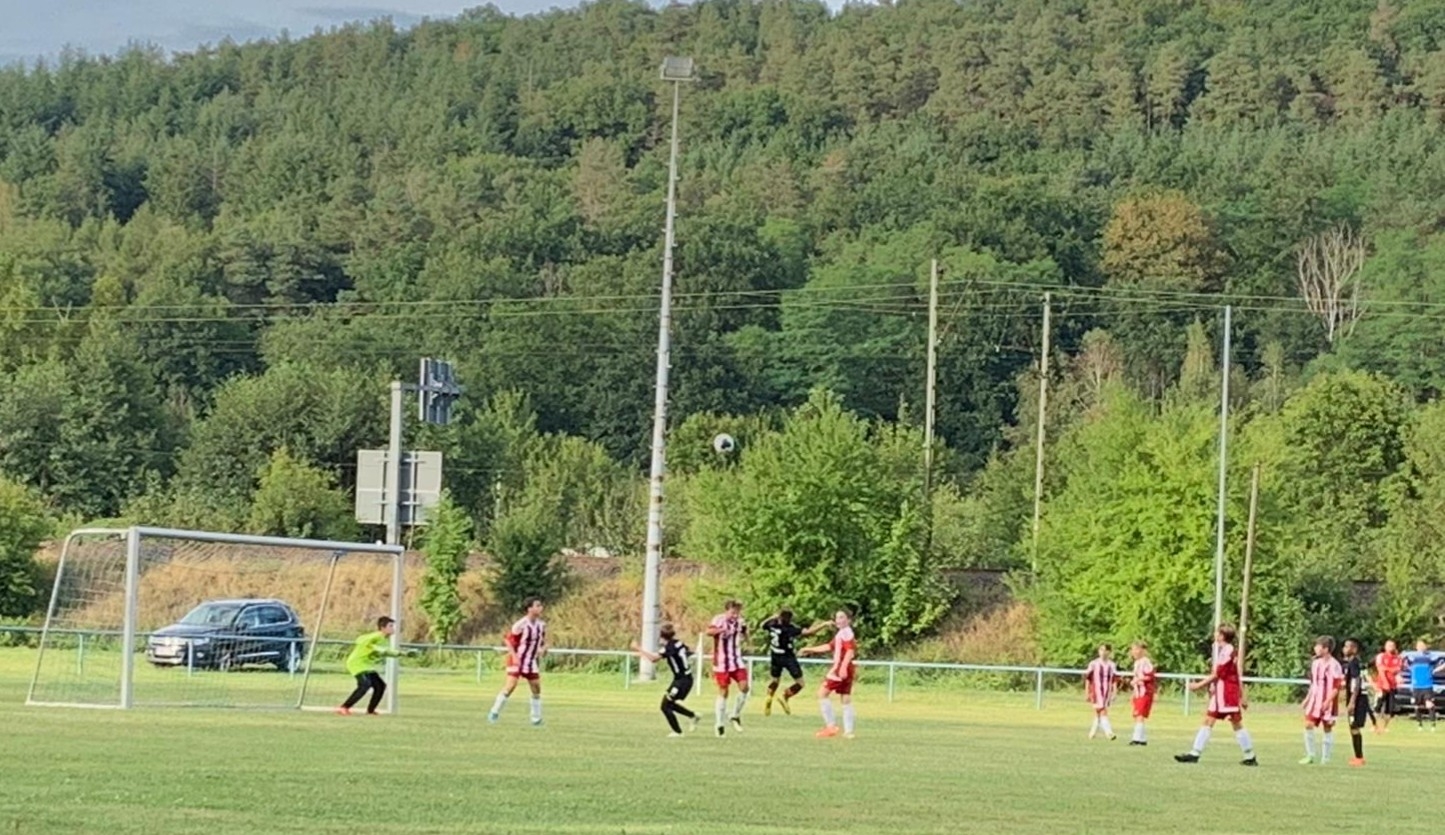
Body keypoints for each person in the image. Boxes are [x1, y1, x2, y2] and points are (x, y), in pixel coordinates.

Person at [1175, 624, 1258, 766]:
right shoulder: (1223, 650)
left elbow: (1218, 674)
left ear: (1222, 635)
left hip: (1227, 694)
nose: (1215, 635)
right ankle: (1195, 753)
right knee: (1209, 720)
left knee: (1236, 722)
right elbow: (1229, 674)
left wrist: (1198, 685)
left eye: (1217, 633)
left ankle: (1249, 755)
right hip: (1221, 693)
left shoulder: (1228, 650)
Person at [631, 623, 699, 737]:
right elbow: (687, 651)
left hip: (682, 681)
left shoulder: (669, 647)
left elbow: (653, 659)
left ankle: (678, 732)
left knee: (665, 706)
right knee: (669, 704)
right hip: (684, 678)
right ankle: (692, 716)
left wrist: (638, 648)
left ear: (661, 636)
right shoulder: (678, 643)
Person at [759, 609, 828, 717]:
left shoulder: (772, 625)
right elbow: (809, 632)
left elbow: (762, 625)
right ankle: (785, 696)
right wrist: (824, 624)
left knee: (775, 681)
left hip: (775, 656)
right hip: (788, 657)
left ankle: (769, 696)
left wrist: (772, 617)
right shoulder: (790, 629)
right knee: (800, 683)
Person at [489, 598, 547, 726]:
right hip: (517, 659)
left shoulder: (541, 625)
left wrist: (543, 649)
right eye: (537, 605)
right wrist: (515, 657)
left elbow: (542, 642)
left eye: (540, 605)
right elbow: (508, 640)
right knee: (510, 686)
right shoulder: (521, 625)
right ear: (529, 609)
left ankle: (536, 719)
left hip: (530, 661)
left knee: (536, 688)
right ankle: (494, 712)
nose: (540, 608)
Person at [801, 609, 857, 739]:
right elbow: (829, 646)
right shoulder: (843, 633)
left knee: (822, 693)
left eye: (842, 617)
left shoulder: (846, 633)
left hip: (840, 668)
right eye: (837, 618)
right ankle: (848, 731)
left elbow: (850, 651)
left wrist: (843, 667)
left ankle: (831, 727)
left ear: (849, 620)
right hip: (847, 667)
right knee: (845, 698)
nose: (838, 620)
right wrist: (810, 649)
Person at [337, 616, 408, 715]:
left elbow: (385, 651)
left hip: (367, 665)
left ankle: (370, 711)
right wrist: (374, 647)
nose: (393, 628)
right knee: (365, 684)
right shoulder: (376, 636)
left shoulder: (384, 640)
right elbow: (360, 640)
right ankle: (344, 707)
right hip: (357, 663)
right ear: (383, 628)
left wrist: (402, 653)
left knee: (380, 686)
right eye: (391, 626)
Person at [707, 599, 750, 736]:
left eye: (737, 612)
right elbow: (709, 631)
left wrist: (747, 638)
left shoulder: (740, 621)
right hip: (721, 662)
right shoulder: (719, 619)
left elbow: (745, 633)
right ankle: (719, 724)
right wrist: (721, 630)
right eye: (733, 612)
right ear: (727, 610)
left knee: (745, 687)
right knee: (724, 691)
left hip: (736, 660)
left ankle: (734, 715)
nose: (735, 615)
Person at [1300, 635, 1343, 765]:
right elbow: (1313, 683)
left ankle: (1326, 758)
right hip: (1315, 700)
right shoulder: (1315, 663)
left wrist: (1328, 701)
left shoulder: (1334, 665)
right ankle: (1310, 754)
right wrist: (1307, 699)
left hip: (1328, 701)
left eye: (1318, 646)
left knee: (1327, 727)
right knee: (1308, 725)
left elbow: (1336, 686)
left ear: (1326, 649)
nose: (1315, 648)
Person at [1083, 644, 1119, 740]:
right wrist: (1087, 692)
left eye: (1105, 650)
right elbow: (1088, 679)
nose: (1103, 652)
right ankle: (1109, 733)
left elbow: (1114, 679)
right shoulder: (1093, 664)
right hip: (1096, 691)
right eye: (1101, 650)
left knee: (1098, 712)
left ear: (1109, 652)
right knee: (1102, 711)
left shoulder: (1112, 665)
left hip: (1106, 692)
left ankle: (1092, 733)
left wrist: (1114, 692)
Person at [1341, 639, 1368, 766]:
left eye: (1347, 646)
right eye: (1344, 646)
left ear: (1354, 649)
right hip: (1356, 697)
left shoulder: (1354, 663)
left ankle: (1359, 757)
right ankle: (1358, 756)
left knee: (1354, 726)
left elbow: (1357, 682)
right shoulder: (1352, 663)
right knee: (1353, 727)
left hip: (1357, 699)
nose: (1344, 649)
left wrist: (1352, 701)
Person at [1126, 641, 1156, 746]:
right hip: (1138, 693)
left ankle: (1136, 738)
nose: (1133, 652)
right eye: (1132, 649)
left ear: (1142, 650)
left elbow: (1150, 676)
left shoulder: (1145, 662)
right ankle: (1142, 739)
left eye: (1136, 649)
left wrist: (1138, 680)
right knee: (1137, 715)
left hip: (1145, 692)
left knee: (1140, 715)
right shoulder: (1137, 663)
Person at [1405, 639, 1438, 731]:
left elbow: (1442, 662)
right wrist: (1410, 670)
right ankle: (1419, 725)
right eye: (1419, 646)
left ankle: (1433, 725)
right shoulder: (1412, 657)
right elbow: (1404, 663)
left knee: (1429, 705)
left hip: (1427, 685)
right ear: (1416, 647)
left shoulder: (1430, 657)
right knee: (1417, 705)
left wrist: (1435, 670)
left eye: (1423, 645)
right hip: (1416, 686)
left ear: (1426, 646)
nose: (1421, 647)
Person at [1372, 639, 1403, 732]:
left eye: (1392, 645)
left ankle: (1385, 726)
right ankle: (1374, 725)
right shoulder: (1381, 656)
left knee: (1390, 708)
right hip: (1382, 685)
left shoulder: (1398, 658)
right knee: (1378, 706)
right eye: (1389, 645)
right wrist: (1385, 682)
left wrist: (1387, 669)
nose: (1391, 647)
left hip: (1392, 686)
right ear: (1385, 647)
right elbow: (1381, 669)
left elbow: (1397, 669)